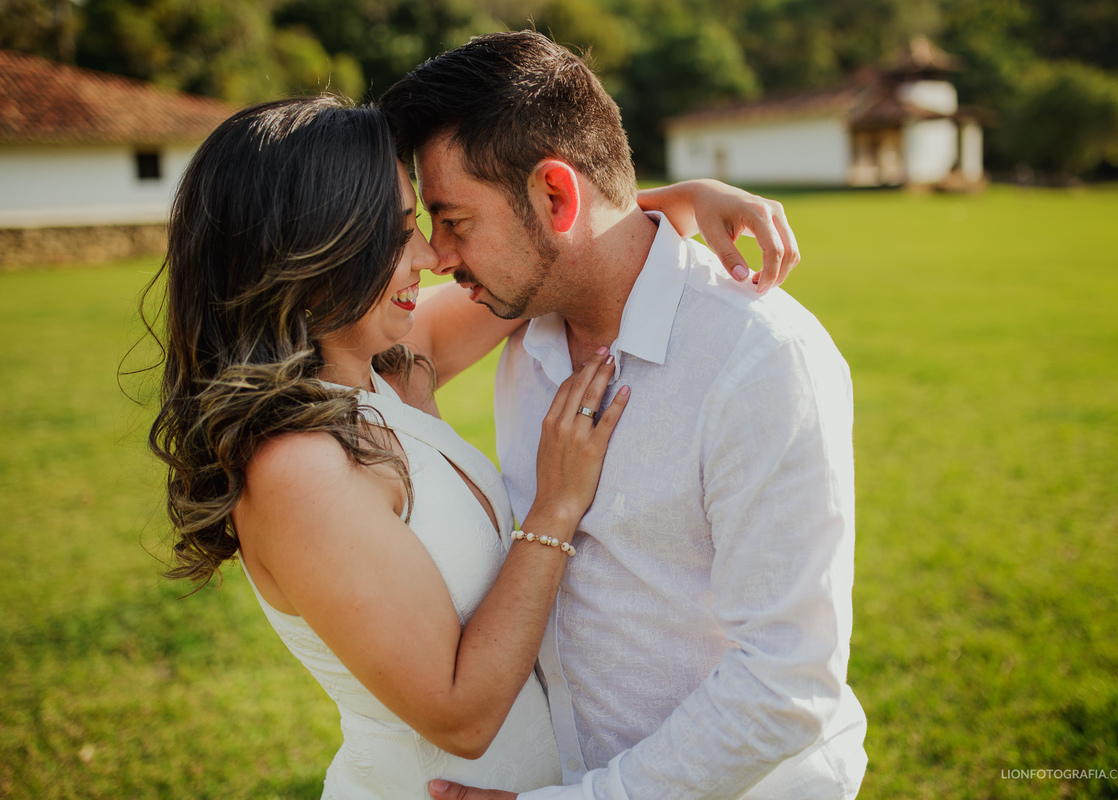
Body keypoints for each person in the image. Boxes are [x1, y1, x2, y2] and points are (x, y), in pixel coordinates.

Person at [146, 95, 799, 799]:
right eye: (399, 234)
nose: (429, 256)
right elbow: (461, 715)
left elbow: (538, 262)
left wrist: (676, 201)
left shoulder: (380, 366)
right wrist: (554, 509)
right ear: (313, 255)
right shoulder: (298, 469)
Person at [380, 31, 869, 800]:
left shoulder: (759, 360)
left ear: (555, 196)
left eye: (455, 221)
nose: (438, 256)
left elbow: (785, 681)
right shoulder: (524, 318)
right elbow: (380, 343)